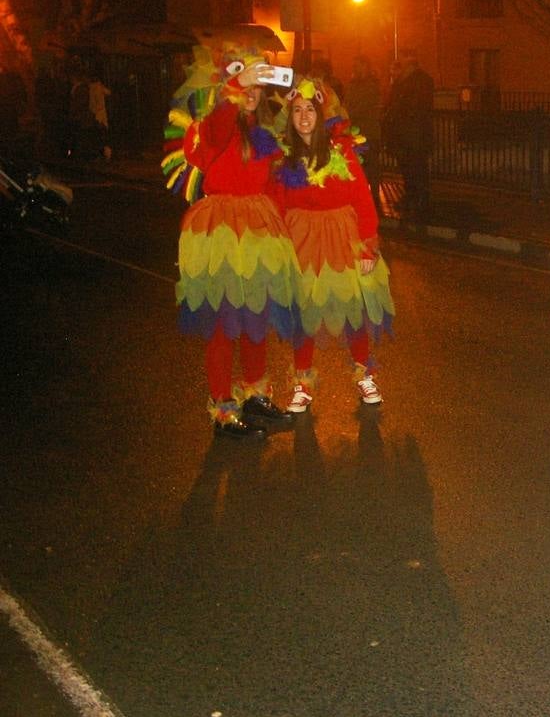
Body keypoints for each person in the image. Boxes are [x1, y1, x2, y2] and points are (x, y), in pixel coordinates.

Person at [163, 47, 299, 439]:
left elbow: (276, 185)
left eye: (259, 82)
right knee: (223, 322)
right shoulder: (213, 126)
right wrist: (239, 85)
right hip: (220, 232)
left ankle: (255, 393)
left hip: (258, 231)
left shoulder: (262, 134)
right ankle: (223, 407)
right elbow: (221, 124)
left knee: (255, 316)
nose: (254, 88)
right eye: (245, 79)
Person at [273, 76, 395, 412]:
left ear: (320, 114)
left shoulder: (341, 152)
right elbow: (279, 208)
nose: (303, 116)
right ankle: (302, 382)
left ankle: (363, 374)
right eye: (296, 110)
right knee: (305, 315)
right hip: (302, 243)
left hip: (342, 239)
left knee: (352, 311)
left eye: (309, 109)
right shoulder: (286, 159)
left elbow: (362, 201)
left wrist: (368, 246)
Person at [384, 49, 435, 220]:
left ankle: (420, 198)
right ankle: (411, 195)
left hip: (415, 132)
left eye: (403, 58)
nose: (400, 61)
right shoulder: (402, 80)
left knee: (417, 166)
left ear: (410, 60)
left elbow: (418, 107)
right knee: (406, 166)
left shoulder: (422, 80)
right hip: (405, 131)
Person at [345, 55, 384, 213]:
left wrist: (347, 115)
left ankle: (373, 195)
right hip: (356, 133)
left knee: (372, 166)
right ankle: (361, 195)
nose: (356, 69)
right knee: (358, 166)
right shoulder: (353, 84)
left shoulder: (371, 85)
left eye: (359, 65)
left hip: (368, 132)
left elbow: (361, 107)